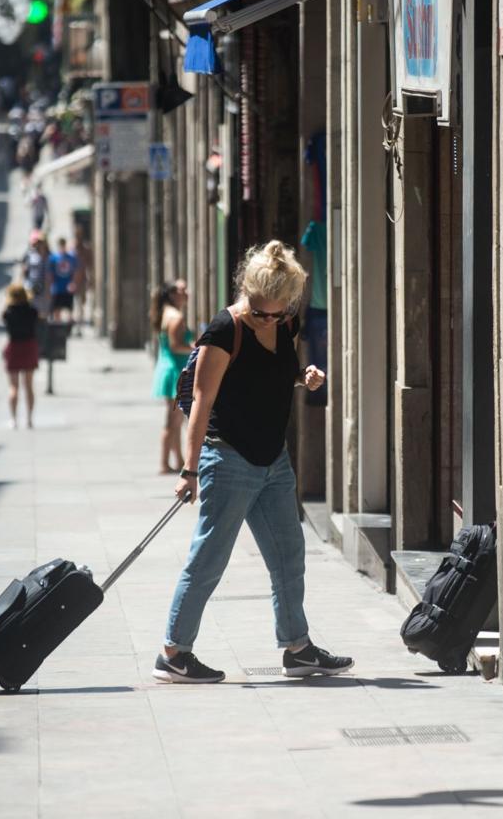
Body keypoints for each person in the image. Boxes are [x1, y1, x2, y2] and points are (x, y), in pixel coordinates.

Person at [155, 240, 350, 684]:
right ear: (248, 292)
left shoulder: (284, 322)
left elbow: (274, 375)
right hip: (227, 460)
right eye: (263, 312)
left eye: (279, 313)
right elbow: (201, 405)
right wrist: (189, 471)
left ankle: (297, 648)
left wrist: (305, 377)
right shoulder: (225, 331)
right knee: (209, 559)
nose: (272, 320)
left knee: (288, 555)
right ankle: (173, 652)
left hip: (273, 461)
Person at [149, 280, 194, 474]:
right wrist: (195, 347)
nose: (187, 292)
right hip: (176, 370)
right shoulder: (175, 317)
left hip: (168, 368)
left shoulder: (165, 313)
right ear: (173, 294)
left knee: (175, 420)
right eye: (182, 290)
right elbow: (176, 345)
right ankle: (164, 463)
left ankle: (178, 461)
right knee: (172, 420)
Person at [1, 284, 39, 429]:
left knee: (13, 387)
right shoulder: (32, 311)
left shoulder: (8, 313)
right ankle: (29, 419)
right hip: (29, 346)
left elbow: (4, 317)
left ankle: (13, 420)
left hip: (14, 347)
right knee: (29, 386)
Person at [48, 237, 77, 322]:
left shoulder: (71, 257)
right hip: (57, 288)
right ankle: (58, 326)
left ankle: (68, 328)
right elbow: (50, 273)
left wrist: (73, 283)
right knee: (56, 309)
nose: (62, 247)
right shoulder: (53, 258)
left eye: (63, 245)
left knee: (69, 309)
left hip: (68, 287)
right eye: (61, 245)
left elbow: (75, 271)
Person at [21, 232, 50, 315]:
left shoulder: (49, 256)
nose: (39, 244)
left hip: (43, 286)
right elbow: (24, 269)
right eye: (38, 242)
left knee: (43, 310)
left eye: (41, 242)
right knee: (30, 307)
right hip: (31, 284)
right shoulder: (30, 254)